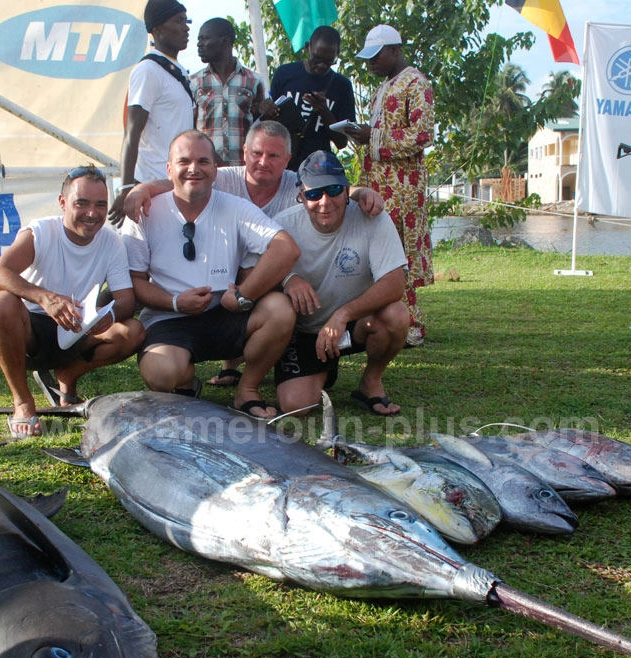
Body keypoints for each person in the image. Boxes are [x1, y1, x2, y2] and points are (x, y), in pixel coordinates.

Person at [124, 121, 385, 387]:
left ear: (287, 159)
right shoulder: (220, 179)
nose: (263, 162)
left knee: (276, 302)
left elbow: (326, 191)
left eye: (273, 156)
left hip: (247, 289)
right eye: (257, 153)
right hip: (192, 301)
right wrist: (141, 189)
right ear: (245, 152)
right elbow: (182, 180)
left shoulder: (291, 185)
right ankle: (200, 373)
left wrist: (359, 192)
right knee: (163, 373)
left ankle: (253, 382)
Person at [122, 130, 300, 419]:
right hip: (169, 317)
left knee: (280, 310)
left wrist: (243, 296)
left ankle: (248, 390)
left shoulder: (236, 207)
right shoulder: (146, 212)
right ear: (169, 169)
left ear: (215, 169)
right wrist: (176, 302)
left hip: (226, 312)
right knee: (162, 374)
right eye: (184, 161)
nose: (194, 169)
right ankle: (184, 381)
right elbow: (136, 282)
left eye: (203, 161)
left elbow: (286, 249)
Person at [0, 166, 144, 438]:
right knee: (2, 303)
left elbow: (126, 301)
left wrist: (110, 317)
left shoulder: (111, 241)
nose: (92, 213)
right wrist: (45, 298)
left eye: (100, 205)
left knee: (133, 331)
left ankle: (67, 375)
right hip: (31, 329)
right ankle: (23, 403)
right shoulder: (41, 232)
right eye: (81, 203)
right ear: (62, 203)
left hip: (77, 328)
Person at [273, 151, 409, 417]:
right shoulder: (282, 226)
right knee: (296, 407)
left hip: (352, 324)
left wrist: (343, 314)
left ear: (347, 191)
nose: (325, 202)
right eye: (314, 194)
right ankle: (323, 369)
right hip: (305, 329)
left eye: (334, 190)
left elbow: (395, 284)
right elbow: (249, 271)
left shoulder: (373, 217)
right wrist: (289, 279)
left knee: (396, 315)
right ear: (301, 196)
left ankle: (371, 381)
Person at [348, 24, 435, 348]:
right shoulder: (384, 87)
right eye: (367, 57)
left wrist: (374, 136)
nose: (370, 63)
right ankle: (387, 317)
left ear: (395, 50)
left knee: (401, 255)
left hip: (403, 187)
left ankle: (411, 324)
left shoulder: (416, 83)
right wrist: (362, 135)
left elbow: (422, 136)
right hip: (380, 185)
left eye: (376, 56)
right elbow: (380, 138)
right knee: (382, 252)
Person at [109, 0, 193, 226]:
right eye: (178, 21)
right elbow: (132, 131)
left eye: (187, 21)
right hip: (150, 187)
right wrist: (127, 187)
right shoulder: (148, 70)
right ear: (156, 29)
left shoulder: (180, 71)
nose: (186, 28)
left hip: (175, 183)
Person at [267, 25, 356, 171]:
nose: (321, 65)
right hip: (282, 164)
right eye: (317, 58)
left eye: (329, 61)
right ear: (308, 47)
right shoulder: (284, 74)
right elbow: (268, 124)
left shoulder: (342, 86)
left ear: (337, 54)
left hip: (318, 169)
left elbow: (341, 142)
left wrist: (323, 110)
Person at [189, 17, 266, 167]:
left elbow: (260, 127)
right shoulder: (193, 82)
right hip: (206, 170)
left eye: (205, 39)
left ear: (225, 41)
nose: (199, 44)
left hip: (243, 171)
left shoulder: (254, 81)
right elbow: (189, 128)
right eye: (199, 40)